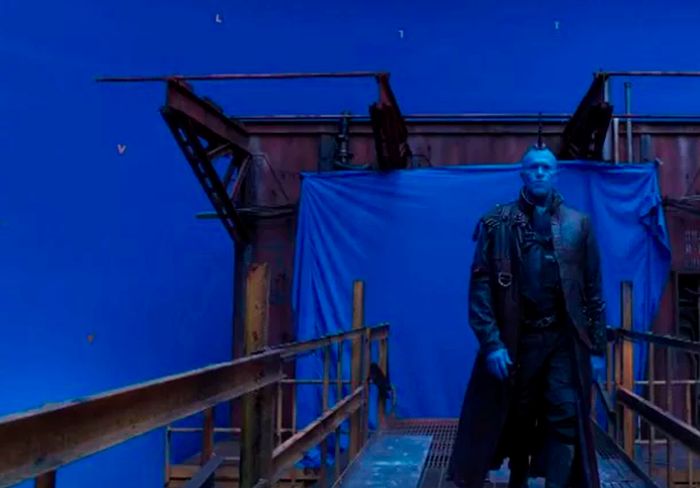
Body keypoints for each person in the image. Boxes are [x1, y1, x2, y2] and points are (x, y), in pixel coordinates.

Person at [447, 140, 607, 488]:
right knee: (518, 415)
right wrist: (492, 344)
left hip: (563, 338)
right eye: (533, 167)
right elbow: (480, 291)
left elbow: (593, 290)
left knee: (565, 412)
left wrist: (596, 349)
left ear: (556, 174)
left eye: (546, 167)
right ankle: (517, 480)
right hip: (517, 337)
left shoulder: (578, 224)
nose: (539, 173)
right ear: (522, 173)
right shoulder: (496, 222)